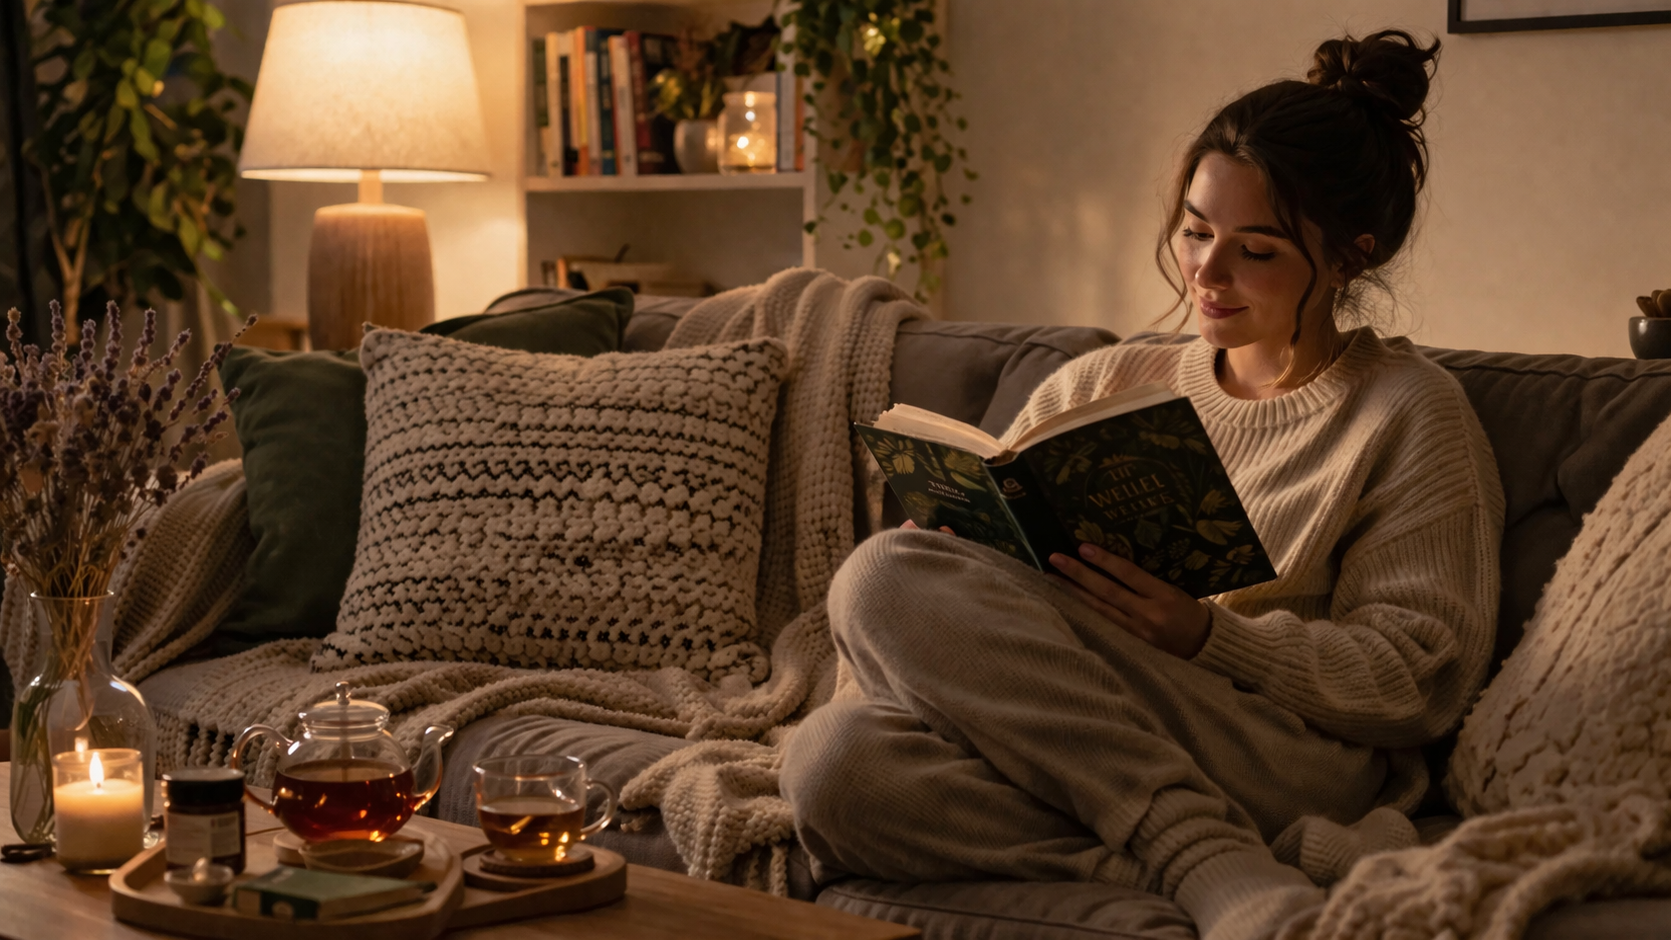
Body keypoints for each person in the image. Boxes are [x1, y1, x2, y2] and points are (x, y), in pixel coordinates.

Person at [781, 29, 1506, 940]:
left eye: (1256, 249)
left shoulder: (1407, 412)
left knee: (881, 577)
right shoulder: (1103, 385)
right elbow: (975, 591)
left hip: (1275, 743)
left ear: (1349, 257)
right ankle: (1218, 858)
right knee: (832, 767)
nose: (1206, 272)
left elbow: (1419, 679)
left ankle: (1197, 850)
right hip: (1097, 721)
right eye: (1196, 232)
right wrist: (967, 555)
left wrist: (1210, 637)